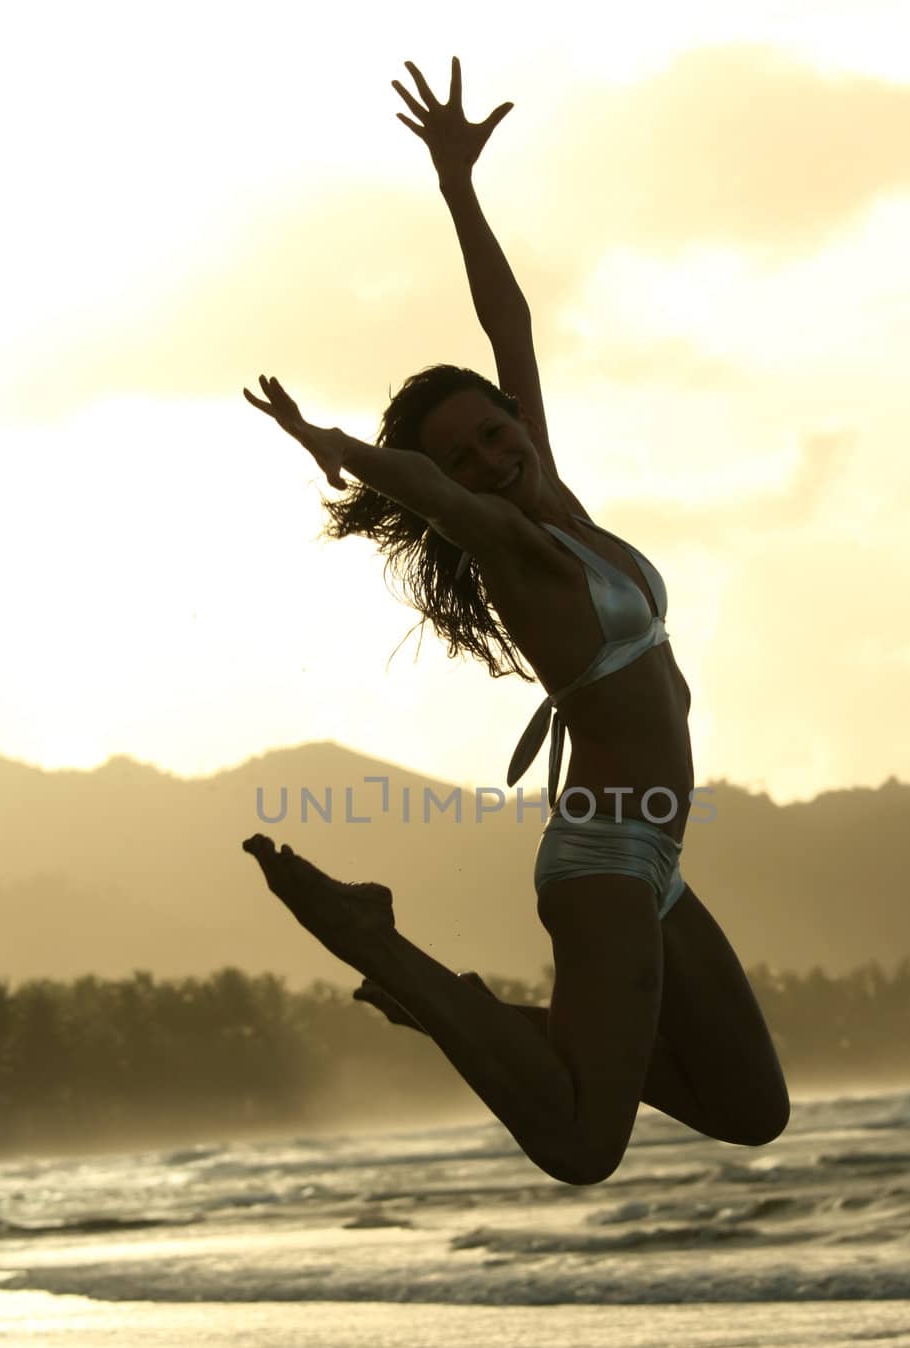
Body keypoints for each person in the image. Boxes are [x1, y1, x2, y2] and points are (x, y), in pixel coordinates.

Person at [242, 58, 789, 1185]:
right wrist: (335, 449)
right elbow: (431, 492)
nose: (493, 459)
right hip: (598, 855)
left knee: (749, 1108)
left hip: (657, 857)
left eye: (496, 435)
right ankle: (384, 951)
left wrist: (455, 183)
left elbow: (512, 328)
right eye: (466, 459)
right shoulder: (515, 547)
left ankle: (494, 1017)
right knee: (582, 1146)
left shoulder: (554, 502)